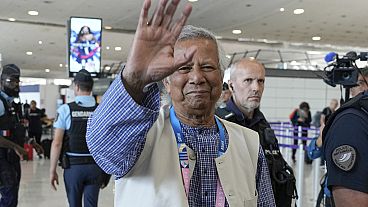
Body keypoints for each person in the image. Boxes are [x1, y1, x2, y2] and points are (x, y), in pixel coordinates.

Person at [86, 0, 275, 206]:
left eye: (208, 67)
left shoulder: (248, 143)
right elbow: (104, 150)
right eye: (184, 68)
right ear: (166, 81)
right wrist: (134, 77)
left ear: (221, 78)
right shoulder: (141, 138)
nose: (197, 77)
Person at [216, 58, 297, 206]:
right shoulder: (219, 123)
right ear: (232, 86)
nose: (256, 88)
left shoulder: (262, 123)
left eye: (261, 81)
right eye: (248, 80)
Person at [49, 69, 106, 207]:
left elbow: (57, 143)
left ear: (77, 86)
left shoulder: (65, 110)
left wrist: (52, 170)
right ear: (91, 87)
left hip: (73, 168)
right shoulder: (101, 109)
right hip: (95, 166)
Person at [0, 64, 42, 207]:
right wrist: (17, 147)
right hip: (2, 157)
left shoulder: (12, 104)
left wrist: (31, 142)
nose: (16, 85)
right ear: (2, 82)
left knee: (13, 195)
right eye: (12, 81)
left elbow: (14, 131)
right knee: (8, 195)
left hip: (12, 157)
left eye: (18, 81)